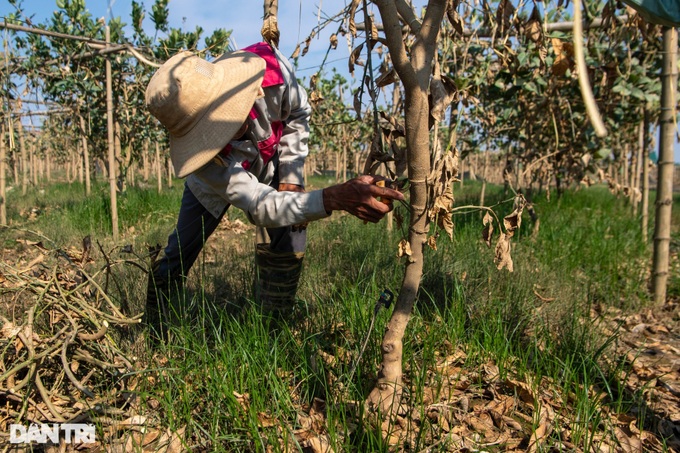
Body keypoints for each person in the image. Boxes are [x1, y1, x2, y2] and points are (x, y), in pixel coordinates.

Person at [144, 42, 403, 339]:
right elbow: (261, 205)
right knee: (178, 252)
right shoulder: (206, 165)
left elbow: (298, 113)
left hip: (271, 160)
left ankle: (271, 326)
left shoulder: (273, 73)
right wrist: (333, 198)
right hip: (210, 190)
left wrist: (291, 173)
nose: (229, 131)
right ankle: (155, 327)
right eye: (211, 130)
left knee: (292, 232)